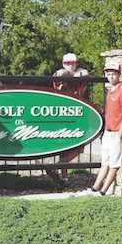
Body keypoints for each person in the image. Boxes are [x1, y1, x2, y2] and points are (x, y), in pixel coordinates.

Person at [75, 62, 122, 197]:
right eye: (108, 74)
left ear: (119, 75)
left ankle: (103, 191)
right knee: (105, 161)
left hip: (118, 132)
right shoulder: (110, 90)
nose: (111, 77)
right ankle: (95, 189)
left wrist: (119, 134)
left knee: (114, 163)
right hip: (108, 131)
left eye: (113, 74)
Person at [52, 53, 89, 184]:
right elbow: (60, 74)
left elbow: (85, 74)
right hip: (62, 114)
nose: (70, 65)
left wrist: (72, 74)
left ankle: (58, 167)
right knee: (63, 146)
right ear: (63, 63)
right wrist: (70, 74)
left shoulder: (79, 74)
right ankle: (64, 177)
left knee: (79, 146)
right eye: (68, 63)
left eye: (73, 63)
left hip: (77, 113)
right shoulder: (59, 74)